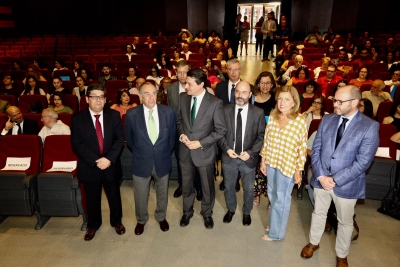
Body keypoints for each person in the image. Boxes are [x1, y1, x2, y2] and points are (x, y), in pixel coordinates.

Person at [300, 85, 379, 267]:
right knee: (318, 213)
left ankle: (341, 255)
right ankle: (314, 242)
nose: (334, 104)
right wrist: (320, 175)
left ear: (354, 103)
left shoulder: (369, 127)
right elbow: (317, 149)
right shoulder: (328, 119)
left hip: (347, 184)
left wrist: (335, 180)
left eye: (339, 101)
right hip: (321, 180)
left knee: (345, 222)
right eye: (334, 99)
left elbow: (363, 162)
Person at [70, 83, 125, 241]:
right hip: (90, 166)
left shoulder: (113, 115)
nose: (98, 100)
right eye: (94, 96)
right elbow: (76, 144)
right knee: (92, 198)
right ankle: (93, 225)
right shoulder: (77, 118)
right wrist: (96, 161)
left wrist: (108, 159)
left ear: (105, 99)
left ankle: (117, 222)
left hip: (110, 164)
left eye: (101, 97)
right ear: (87, 99)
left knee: (114, 196)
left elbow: (119, 140)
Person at [177, 68, 227, 229]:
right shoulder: (182, 98)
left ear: (201, 85)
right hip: (185, 152)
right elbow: (179, 121)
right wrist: (182, 135)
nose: (186, 87)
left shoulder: (215, 102)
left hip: (204, 153)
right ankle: (187, 212)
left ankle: (207, 213)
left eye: (189, 84)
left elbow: (221, 130)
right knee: (186, 185)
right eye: (185, 83)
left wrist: (201, 142)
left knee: (207, 186)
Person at [125, 82, 175, 235]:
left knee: (162, 192)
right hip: (141, 161)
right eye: (147, 93)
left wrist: (163, 152)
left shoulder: (168, 112)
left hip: (163, 160)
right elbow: (130, 140)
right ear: (140, 96)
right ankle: (141, 220)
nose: (151, 97)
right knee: (140, 194)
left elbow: (171, 139)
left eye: (154, 93)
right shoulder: (132, 114)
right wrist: (143, 151)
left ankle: (161, 216)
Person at [260, 85, 307, 241]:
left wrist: (299, 171)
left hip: (287, 167)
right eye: (280, 98)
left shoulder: (300, 121)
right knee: (273, 196)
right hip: (272, 162)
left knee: (282, 199)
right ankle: (275, 224)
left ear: (294, 102)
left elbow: (302, 148)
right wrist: (263, 160)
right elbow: (266, 141)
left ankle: (276, 234)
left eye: (287, 99)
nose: (282, 102)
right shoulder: (273, 117)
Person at [219, 81, 265, 226]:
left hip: (248, 159)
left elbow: (262, 136)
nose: (240, 95)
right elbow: (219, 133)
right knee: (228, 186)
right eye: (238, 91)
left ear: (250, 94)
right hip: (229, 157)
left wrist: (250, 152)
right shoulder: (224, 110)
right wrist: (226, 149)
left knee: (249, 189)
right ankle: (231, 209)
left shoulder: (258, 113)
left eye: (244, 92)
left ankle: (246, 212)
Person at [167, 60, 203, 199]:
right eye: (179, 72)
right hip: (178, 132)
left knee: (197, 161)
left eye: (185, 72)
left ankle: (198, 187)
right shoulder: (171, 88)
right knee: (181, 159)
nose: (182, 75)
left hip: (195, 131)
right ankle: (182, 184)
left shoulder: (197, 88)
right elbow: (171, 111)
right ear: (175, 73)